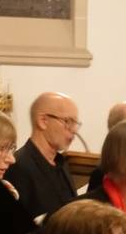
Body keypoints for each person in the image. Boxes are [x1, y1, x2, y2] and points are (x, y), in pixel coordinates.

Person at [5, 91, 79, 219]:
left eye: (75, 123)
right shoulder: (18, 166)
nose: (74, 130)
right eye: (68, 121)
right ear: (43, 121)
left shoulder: (61, 163)